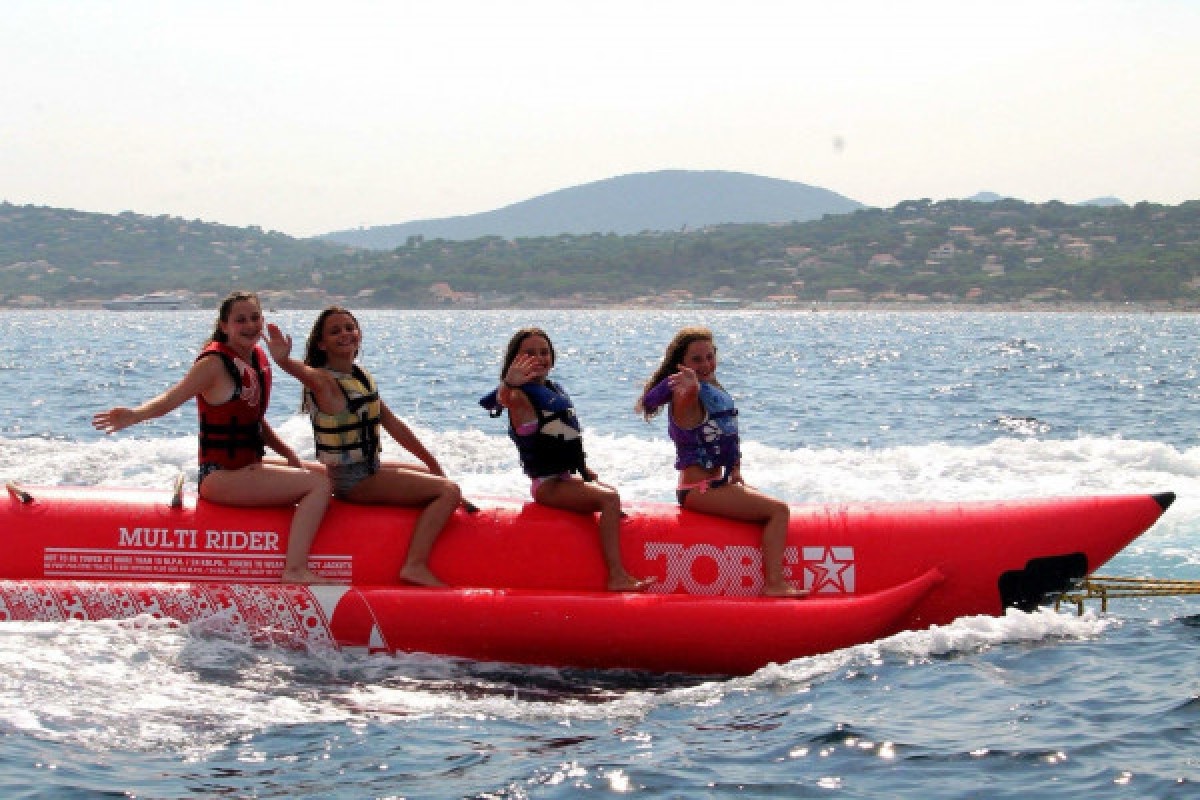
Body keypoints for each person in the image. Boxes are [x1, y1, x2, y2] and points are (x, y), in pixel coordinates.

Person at [92, 291, 334, 584]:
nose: (249, 325)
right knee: (318, 485)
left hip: (247, 468)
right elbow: (170, 400)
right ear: (224, 326)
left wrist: (289, 455)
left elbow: (251, 419)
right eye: (240, 320)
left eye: (255, 318)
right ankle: (295, 570)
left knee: (329, 476)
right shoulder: (213, 365)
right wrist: (134, 415)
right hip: (220, 476)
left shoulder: (256, 357)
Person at [265, 307, 462, 588]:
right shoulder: (326, 382)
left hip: (370, 469)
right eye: (335, 331)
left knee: (433, 477)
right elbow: (305, 373)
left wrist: (434, 466)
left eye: (349, 328)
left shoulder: (358, 377)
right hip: (355, 480)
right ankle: (415, 565)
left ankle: (418, 548)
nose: (345, 334)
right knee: (448, 492)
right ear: (322, 344)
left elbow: (395, 426)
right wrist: (284, 361)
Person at [637, 326, 806, 597]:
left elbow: (725, 435)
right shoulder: (687, 394)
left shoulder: (713, 388)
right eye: (696, 359)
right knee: (778, 511)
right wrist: (689, 388)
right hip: (698, 490)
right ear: (681, 364)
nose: (705, 364)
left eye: (710, 356)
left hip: (717, 483)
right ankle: (774, 583)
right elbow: (688, 403)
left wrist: (735, 469)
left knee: (770, 506)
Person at [479, 328, 652, 592]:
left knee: (610, 495)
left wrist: (582, 469)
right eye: (529, 353)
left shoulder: (552, 390)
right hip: (546, 486)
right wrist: (510, 382)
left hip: (563, 478)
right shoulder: (519, 395)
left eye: (544, 352)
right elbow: (505, 400)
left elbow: (563, 437)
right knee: (609, 499)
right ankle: (617, 576)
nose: (538, 358)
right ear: (515, 360)